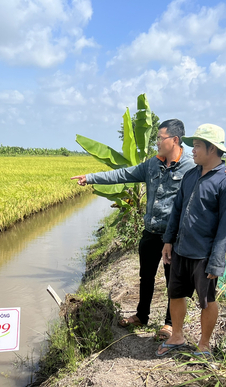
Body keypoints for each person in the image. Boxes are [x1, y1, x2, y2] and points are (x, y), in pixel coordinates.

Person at [71, 119, 193, 340]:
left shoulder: (191, 166)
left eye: (160, 138)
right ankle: (141, 315)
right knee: (145, 276)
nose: (156, 142)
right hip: (150, 233)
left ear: (174, 140)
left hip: (174, 237)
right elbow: (122, 174)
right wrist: (90, 178)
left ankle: (169, 324)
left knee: (172, 281)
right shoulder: (151, 165)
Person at [157, 124, 226, 358]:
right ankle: (177, 335)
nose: (191, 150)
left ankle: (204, 345)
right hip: (181, 249)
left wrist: (216, 260)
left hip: (204, 255)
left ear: (212, 149)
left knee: (207, 300)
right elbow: (177, 210)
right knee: (175, 294)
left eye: (196, 146)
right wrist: (169, 240)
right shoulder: (191, 175)